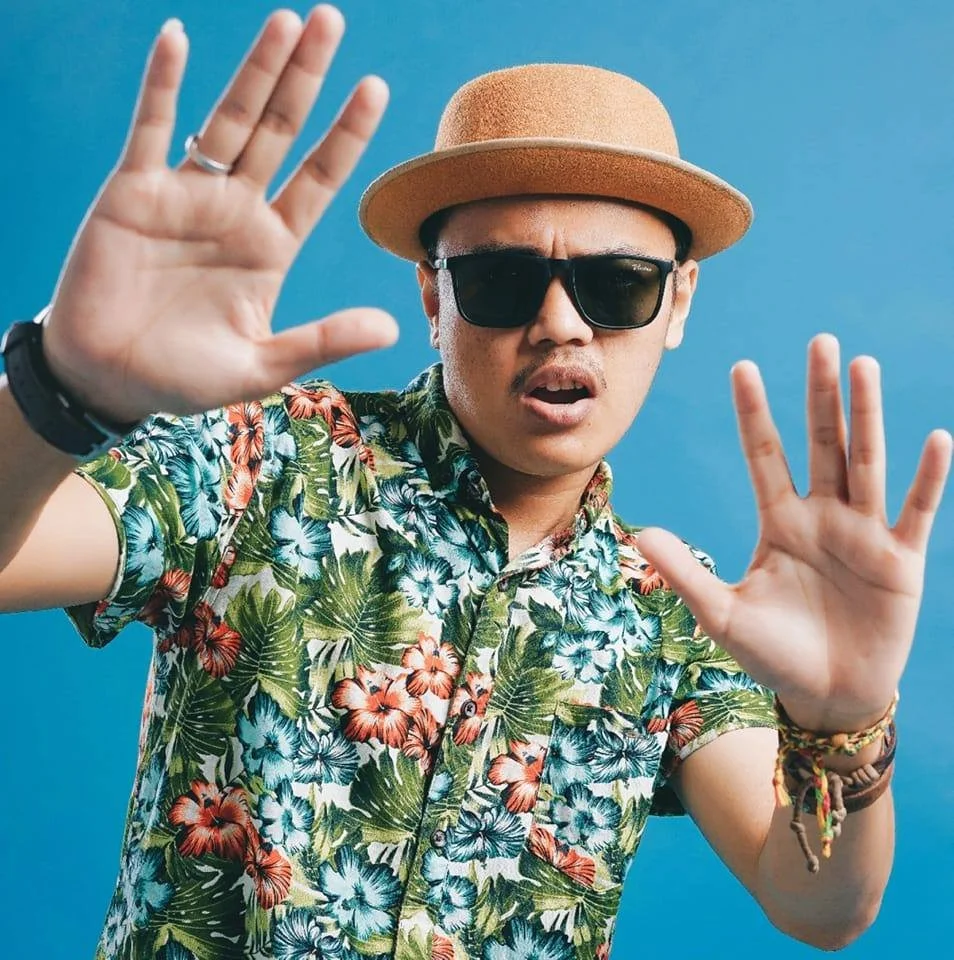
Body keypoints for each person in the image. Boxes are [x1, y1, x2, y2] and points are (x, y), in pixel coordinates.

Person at [0, 6, 950, 960]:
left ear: (678, 302)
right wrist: (64, 387)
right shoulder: (265, 458)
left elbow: (818, 904)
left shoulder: (677, 610)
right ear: (433, 295)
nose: (561, 324)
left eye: (618, 284)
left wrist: (843, 724)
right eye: (500, 281)